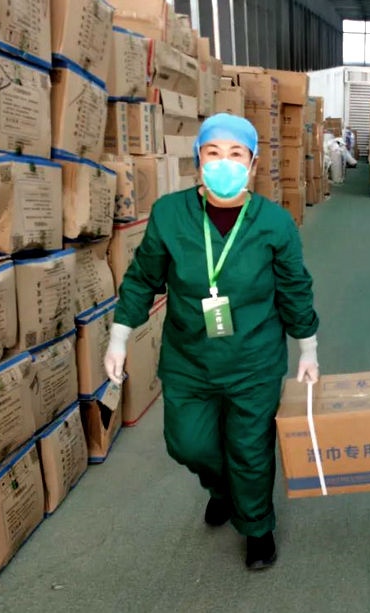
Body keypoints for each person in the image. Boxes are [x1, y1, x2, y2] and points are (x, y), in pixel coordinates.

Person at [104, 113, 320, 570]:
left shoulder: (274, 223)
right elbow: (143, 278)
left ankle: (257, 526)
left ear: (253, 165)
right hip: (190, 358)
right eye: (213, 153)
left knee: (250, 449)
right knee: (188, 444)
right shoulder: (169, 214)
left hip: (253, 360)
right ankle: (222, 488)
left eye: (236, 154)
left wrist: (308, 348)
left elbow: (294, 288)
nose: (224, 163)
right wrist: (119, 336)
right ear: (198, 161)